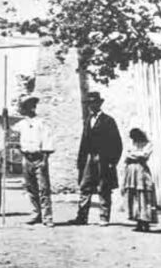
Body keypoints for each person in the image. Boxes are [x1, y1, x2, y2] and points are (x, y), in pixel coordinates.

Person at [72, 91, 123, 226]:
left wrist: (113, 161)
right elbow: (84, 142)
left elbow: (117, 143)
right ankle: (82, 217)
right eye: (89, 103)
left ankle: (104, 217)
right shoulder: (88, 120)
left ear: (99, 104)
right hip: (90, 157)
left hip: (104, 158)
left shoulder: (108, 121)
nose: (91, 106)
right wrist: (81, 161)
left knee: (104, 187)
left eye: (93, 103)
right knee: (85, 186)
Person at [17, 96, 54, 227]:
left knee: (43, 188)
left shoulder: (42, 123)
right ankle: (36, 213)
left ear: (32, 107)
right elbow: (10, 132)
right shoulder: (21, 124)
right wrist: (4, 118)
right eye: (24, 107)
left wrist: (44, 159)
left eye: (27, 107)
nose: (25, 109)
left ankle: (47, 216)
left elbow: (47, 142)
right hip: (27, 158)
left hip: (39, 158)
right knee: (31, 188)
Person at [122, 128, 157, 232]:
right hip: (131, 171)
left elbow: (145, 155)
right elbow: (126, 155)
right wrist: (136, 154)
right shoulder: (131, 144)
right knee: (134, 197)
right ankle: (138, 222)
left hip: (141, 171)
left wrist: (133, 155)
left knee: (144, 196)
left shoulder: (147, 144)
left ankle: (145, 222)